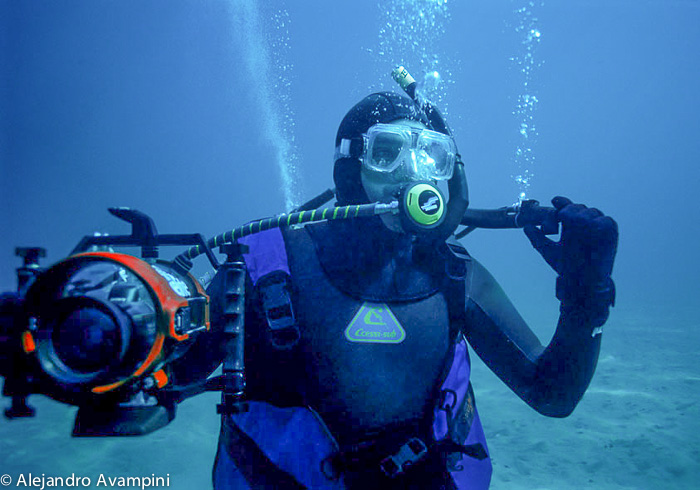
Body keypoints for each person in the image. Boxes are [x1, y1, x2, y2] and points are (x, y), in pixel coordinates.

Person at [205, 91, 618, 489]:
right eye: (387, 153)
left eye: (431, 156)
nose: (412, 172)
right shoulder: (266, 268)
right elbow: (161, 375)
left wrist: (586, 295)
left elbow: (552, 394)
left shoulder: (455, 274)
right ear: (351, 168)